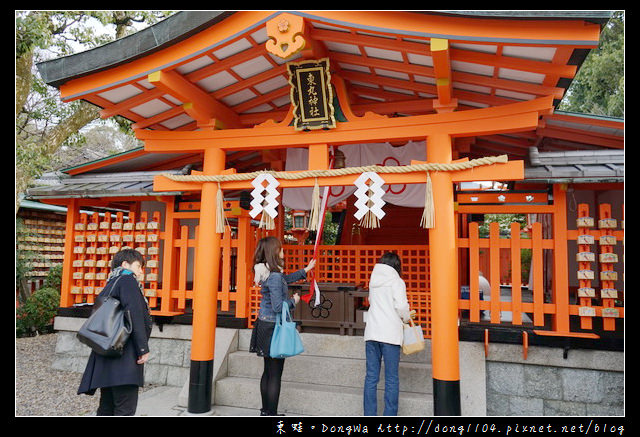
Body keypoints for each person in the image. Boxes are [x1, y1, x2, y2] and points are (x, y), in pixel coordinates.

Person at [77, 248, 153, 416]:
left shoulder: (111, 282)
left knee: (107, 406)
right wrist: (143, 348)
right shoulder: (127, 280)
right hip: (123, 355)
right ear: (125, 264)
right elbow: (134, 313)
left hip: (106, 351)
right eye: (139, 266)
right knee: (125, 408)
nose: (141, 271)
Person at [249, 236, 315, 416]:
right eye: (281, 249)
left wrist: (305, 270)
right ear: (273, 252)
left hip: (264, 325)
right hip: (274, 328)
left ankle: (265, 411)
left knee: (267, 371)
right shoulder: (275, 276)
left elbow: (285, 279)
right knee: (275, 374)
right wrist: (293, 301)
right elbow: (279, 306)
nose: (283, 252)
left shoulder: (268, 273)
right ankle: (271, 414)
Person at [363, 252, 412, 416]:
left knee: (371, 378)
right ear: (397, 266)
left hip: (372, 333)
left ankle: (369, 415)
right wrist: (406, 318)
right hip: (390, 334)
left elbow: (371, 301)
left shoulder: (373, 280)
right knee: (391, 378)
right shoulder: (397, 282)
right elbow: (402, 307)